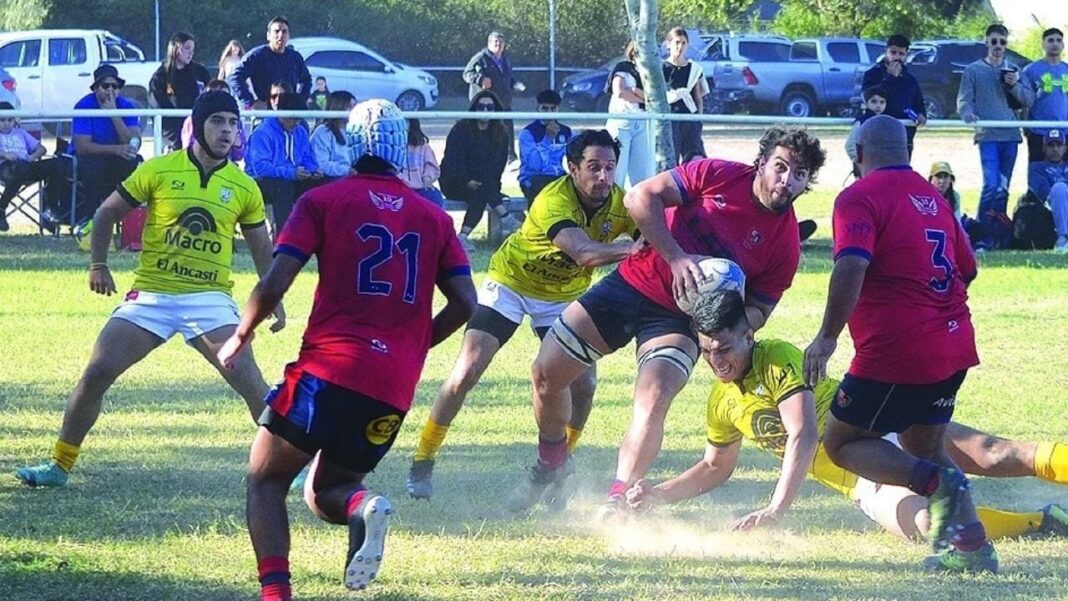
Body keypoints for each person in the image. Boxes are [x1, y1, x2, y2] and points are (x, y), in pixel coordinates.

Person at [216, 99, 476, 600]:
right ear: (402, 149)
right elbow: (465, 302)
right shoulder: (435, 217)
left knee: (266, 481)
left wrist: (242, 333)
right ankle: (362, 507)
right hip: (391, 385)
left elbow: (275, 281)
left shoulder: (323, 200)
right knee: (326, 493)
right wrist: (415, 345)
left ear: (352, 145)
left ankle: (275, 594)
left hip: (329, 367)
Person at [505, 126, 827, 515]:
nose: (786, 180)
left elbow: (757, 312)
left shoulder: (786, 244)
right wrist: (676, 257)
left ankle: (617, 498)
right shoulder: (717, 175)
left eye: (799, 175)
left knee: (654, 398)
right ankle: (552, 462)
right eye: (780, 167)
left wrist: (718, 313)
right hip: (630, 285)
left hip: (678, 320)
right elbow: (642, 198)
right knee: (546, 373)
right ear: (761, 164)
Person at [626, 290, 1068, 542]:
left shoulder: (776, 356)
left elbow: (803, 433)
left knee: (993, 454)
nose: (716, 361)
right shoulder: (721, 400)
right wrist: (658, 495)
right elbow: (714, 466)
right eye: (707, 352)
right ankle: (1046, 522)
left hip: (875, 426)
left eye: (725, 348)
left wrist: (776, 509)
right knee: (929, 526)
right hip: (858, 477)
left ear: (749, 334)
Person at [14, 91, 284, 488]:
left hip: (208, 299)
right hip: (152, 295)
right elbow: (106, 213)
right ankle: (59, 465)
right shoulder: (159, 170)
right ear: (197, 125)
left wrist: (272, 299)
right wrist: (99, 264)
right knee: (97, 371)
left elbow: (262, 247)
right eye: (217, 122)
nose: (227, 131)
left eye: (232, 123)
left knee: (249, 380)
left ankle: (287, 467)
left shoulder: (243, 187)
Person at [803, 115, 994, 573]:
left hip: (899, 350)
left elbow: (851, 266)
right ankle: (972, 548)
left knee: (842, 443)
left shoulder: (857, 197)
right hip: (955, 344)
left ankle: (940, 485)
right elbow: (968, 268)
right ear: (905, 152)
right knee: (921, 443)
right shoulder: (934, 196)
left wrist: (826, 338)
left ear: (859, 155)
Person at [406, 130, 639, 501]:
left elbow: (653, 229)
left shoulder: (620, 203)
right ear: (572, 168)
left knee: (585, 385)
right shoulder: (553, 199)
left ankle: (560, 463)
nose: (603, 177)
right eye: (593, 167)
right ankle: (423, 459)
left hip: (563, 296)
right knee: (468, 369)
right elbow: (583, 254)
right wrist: (631, 249)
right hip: (512, 282)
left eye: (610, 168)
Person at [957, 24, 1035, 251]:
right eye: (994, 41)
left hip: (1011, 136)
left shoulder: (1014, 70)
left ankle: (998, 236)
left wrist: (1015, 86)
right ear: (986, 42)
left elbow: (1028, 100)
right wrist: (967, 113)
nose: (998, 46)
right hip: (988, 135)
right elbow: (964, 100)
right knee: (990, 185)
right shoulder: (973, 70)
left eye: (1002, 42)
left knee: (1003, 187)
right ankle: (980, 235)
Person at [439, 91, 519, 251]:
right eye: (481, 107)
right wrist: (467, 181)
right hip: (455, 181)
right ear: (474, 108)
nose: (485, 111)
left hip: (484, 184)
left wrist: (487, 185)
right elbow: (453, 162)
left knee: (481, 192)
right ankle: (505, 217)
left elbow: (498, 167)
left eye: (490, 107)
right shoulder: (461, 129)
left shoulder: (500, 133)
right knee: (484, 186)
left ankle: (462, 237)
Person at [70, 65, 143, 221]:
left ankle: (129, 222)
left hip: (116, 159)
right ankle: (92, 221)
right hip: (91, 158)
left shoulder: (126, 106)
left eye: (115, 86)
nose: (110, 90)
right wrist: (116, 150)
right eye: (105, 85)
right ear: (96, 88)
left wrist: (114, 113)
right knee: (93, 168)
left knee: (132, 164)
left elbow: (134, 142)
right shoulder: (84, 106)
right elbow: (83, 147)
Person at [245, 93, 321, 233]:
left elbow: (307, 157)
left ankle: (318, 236)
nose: (296, 122)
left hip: (290, 179)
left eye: (299, 118)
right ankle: (284, 238)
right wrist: (291, 173)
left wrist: (312, 170)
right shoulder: (263, 133)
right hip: (259, 182)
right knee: (282, 186)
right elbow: (260, 168)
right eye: (292, 118)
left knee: (322, 185)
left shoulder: (300, 131)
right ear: (281, 113)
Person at [462, 31, 525, 161]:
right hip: (485, 103)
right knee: (484, 130)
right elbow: (466, 74)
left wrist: (514, 84)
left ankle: (510, 156)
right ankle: (479, 156)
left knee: (507, 129)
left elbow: (507, 78)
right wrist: (480, 79)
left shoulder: (506, 60)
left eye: (501, 42)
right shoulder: (480, 57)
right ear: (489, 43)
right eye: (496, 41)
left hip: (503, 102)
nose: (499, 44)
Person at [0, 103, 63, 232]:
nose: (6, 123)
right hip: (5, 168)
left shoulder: (20, 133)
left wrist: (32, 157)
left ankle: (50, 207)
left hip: (26, 166)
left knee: (57, 164)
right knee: (19, 168)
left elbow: (42, 149)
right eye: (2, 120)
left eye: (10, 120)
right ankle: (1, 208)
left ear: (14, 120)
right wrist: (5, 154)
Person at [862, 34, 927, 158]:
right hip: (878, 135)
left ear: (907, 55)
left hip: (904, 138)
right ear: (885, 52)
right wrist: (890, 78)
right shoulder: (872, 74)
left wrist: (921, 114)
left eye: (901, 54)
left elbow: (918, 102)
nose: (897, 57)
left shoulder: (910, 80)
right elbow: (869, 97)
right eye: (893, 52)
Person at [229, 16, 312, 108]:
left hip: (290, 112)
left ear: (288, 36)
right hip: (265, 112)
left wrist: (299, 100)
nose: (280, 35)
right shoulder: (256, 56)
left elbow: (306, 80)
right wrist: (250, 101)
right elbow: (234, 78)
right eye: (276, 31)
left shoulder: (295, 57)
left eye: (284, 32)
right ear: (268, 36)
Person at [150, 32, 211, 150]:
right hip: (174, 137)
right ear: (176, 48)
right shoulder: (161, 76)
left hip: (200, 132)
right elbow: (157, 107)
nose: (191, 52)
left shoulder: (200, 72)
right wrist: (175, 138)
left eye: (193, 49)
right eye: (187, 48)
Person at [605, 41, 653, 188]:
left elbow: (657, 97)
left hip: (643, 122)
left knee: (642, 174)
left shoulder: (652, 72)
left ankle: (638, 208)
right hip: (622, 121)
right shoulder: (623, 68)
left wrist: (636, 92)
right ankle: (611, 207)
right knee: (617, 170)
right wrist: (645, 98)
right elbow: (620, 92)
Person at [662, 28, 709, 165]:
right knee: (671, 157)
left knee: (695, 155)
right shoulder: (662, 67)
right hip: (671, 118)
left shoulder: (693, 69)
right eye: (677, 42)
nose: (680, 47)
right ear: (669, 44)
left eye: (683, 43)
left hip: (690, 117)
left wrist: (699, 119)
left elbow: (698, 96)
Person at [1021, 28, 1068, 163]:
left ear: (1063, 45)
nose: (1055, 44)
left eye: (1058, 40)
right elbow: (1024, 101)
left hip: (1065, 130)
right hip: (1039, 131)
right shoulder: (1031, 70)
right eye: (1050, 40)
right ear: (1043, 44)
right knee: (1037, 170)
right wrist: (1026, 127)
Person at [518, 89, 573, 202]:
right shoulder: (528, 133)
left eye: (553, 109)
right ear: (538, 109)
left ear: (558, 110)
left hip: (559, 177)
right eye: (545, 108)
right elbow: (535, 165)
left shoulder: (567, 132)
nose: (549, 113)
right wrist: (547, 139)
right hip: (534, 179)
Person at [180, 80, 248, 162]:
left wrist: (237, 144)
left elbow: (239, 155)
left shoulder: (235, 119)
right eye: (216, 122)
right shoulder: (192, 120)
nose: (227, 128)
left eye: (225, 96)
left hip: (226, 167)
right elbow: (187, 150)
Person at [1027, 129, 1068, 251]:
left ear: (1065, 148)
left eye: (1059, 145)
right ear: (1044, 148)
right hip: (1050, 205)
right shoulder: (1037, 167)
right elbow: (1043, 191)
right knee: (1059, 189)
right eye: (1051, 145)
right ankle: (1063, 237)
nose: (1055, 149)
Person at [310, 91, 358, 182]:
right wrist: (347, 171)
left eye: (354, 106)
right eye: (349, 106)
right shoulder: (323, 132)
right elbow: (322, 164)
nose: (353, 110)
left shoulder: (357, 131)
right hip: (333, 180)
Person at [400, 118, 444, 207]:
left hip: (421, 187)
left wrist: (427, 180)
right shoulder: (392, 145)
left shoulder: (423, 146)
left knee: (434, 197)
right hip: (398, 187)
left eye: (406, 121)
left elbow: (431, 166)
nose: (403, 125)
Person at [846, 86, 887, 173]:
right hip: (865, 168)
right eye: (874, 101)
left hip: (882, 167)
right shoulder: (862, 122)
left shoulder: (886, 122)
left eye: (882, 102)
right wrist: (859, 160)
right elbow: (850, 144)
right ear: (866, 103)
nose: (878, 105)